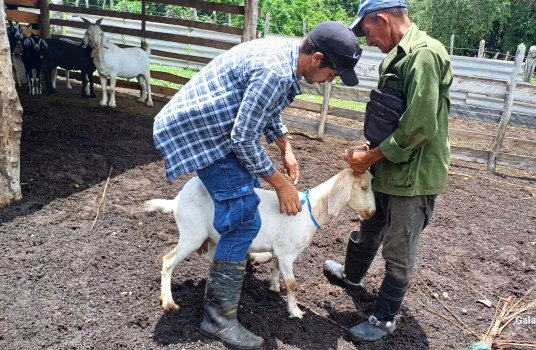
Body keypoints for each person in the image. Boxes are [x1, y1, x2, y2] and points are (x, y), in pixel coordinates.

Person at [153, 22, 362, 349]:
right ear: (318, 58)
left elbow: (263, 108)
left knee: (246, 194)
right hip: (203, 134)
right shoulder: (276, 73)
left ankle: (228, 264)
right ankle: (217, 318)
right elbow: (242, 137)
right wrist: (280, 184)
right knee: (244, 216)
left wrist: (285, 146)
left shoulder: (289, 56)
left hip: (219, 128)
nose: (329, 82)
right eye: (332, 74)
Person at [322, 0, 453, 343]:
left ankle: (384, 320)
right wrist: (370, 150)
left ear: (381, 19)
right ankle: (351, 277)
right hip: (389, 167)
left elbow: (420, 127)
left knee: (398, 247)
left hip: (414, 176)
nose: (366, 40)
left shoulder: (424, 54)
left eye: (366, 31)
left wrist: (370, 158)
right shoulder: (397, 56)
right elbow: (393, 117)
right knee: (370, 224)